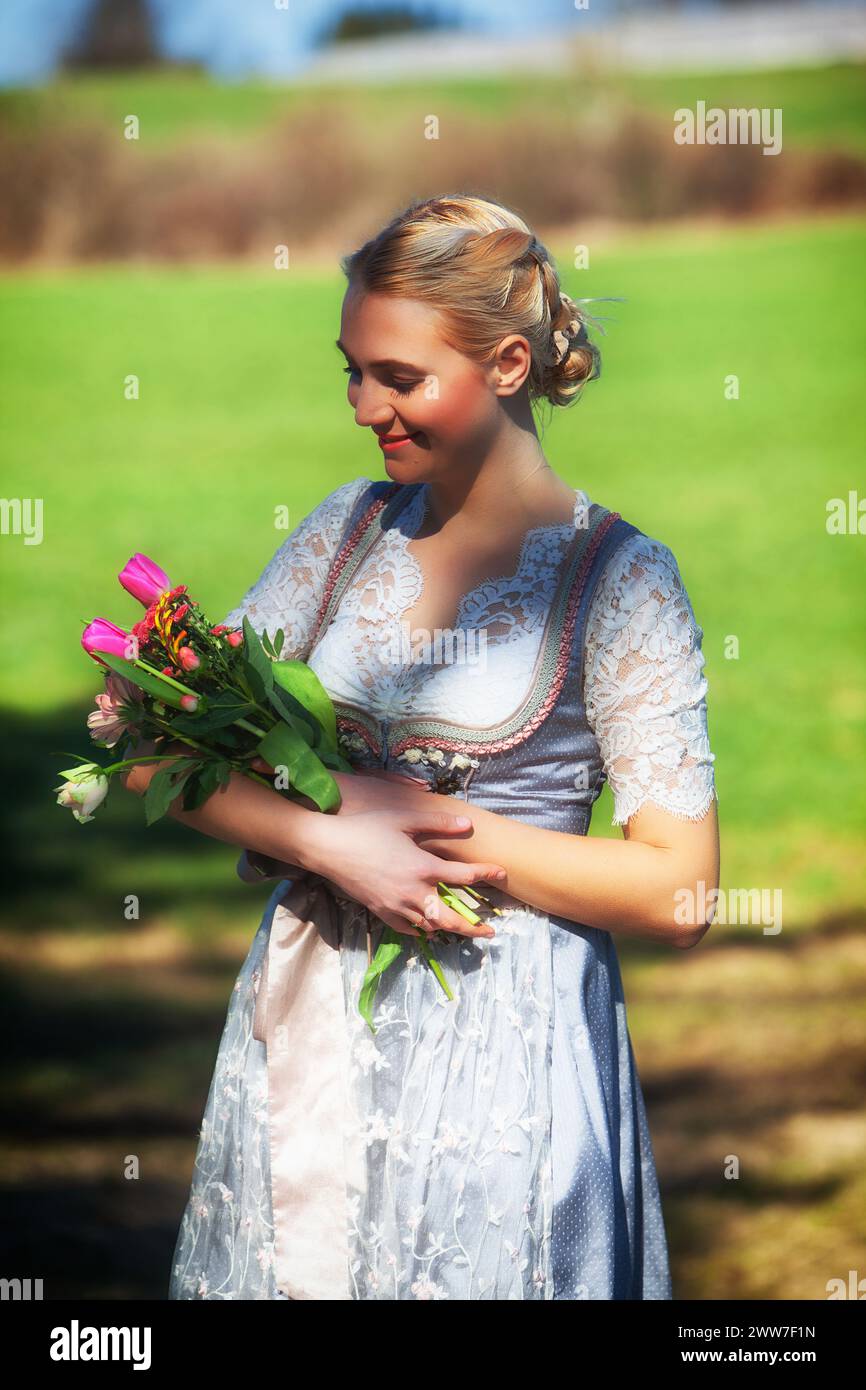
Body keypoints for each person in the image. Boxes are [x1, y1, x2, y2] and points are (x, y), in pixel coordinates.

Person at [125, 192, 719, 1301]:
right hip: (308, 1034)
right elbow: (158, 750)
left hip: (510, 1053)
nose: (364, 407)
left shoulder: (620, 580)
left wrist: (436, 835)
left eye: (399, 379)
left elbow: (679, 891)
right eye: (351, 370)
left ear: (504, 364)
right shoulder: (342, 533)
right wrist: (337, 838)